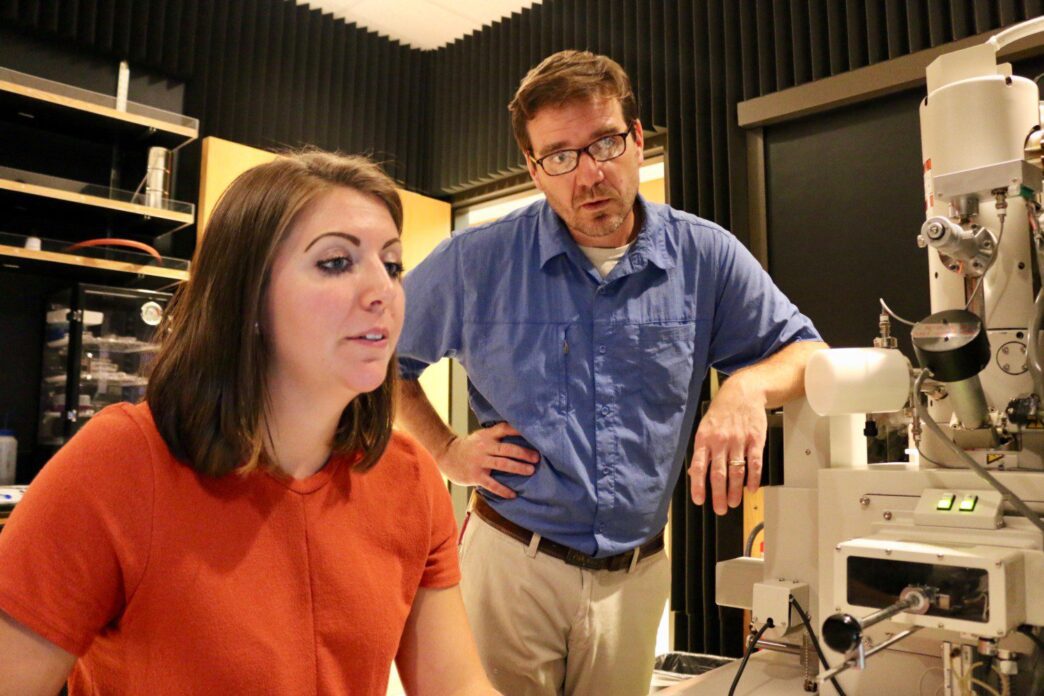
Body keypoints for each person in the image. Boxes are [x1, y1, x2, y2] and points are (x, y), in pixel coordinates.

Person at [395, 51, 827, 695]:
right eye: (560, 156)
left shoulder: (705, 255)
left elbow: (808, 352)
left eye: (604, 143)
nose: (589, 174)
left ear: (637, 139)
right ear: (534, 169)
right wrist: (446, 452)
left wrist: (745, 386)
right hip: (512, 565)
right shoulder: (475, 260)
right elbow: (383, 363)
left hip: (637, 575)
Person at [0, 152, 497, 696]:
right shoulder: (121, 463)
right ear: (247, 296)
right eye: (336, 262)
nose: (384, 291)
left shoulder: (411, 480)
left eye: (392, 265)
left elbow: (458, 686)